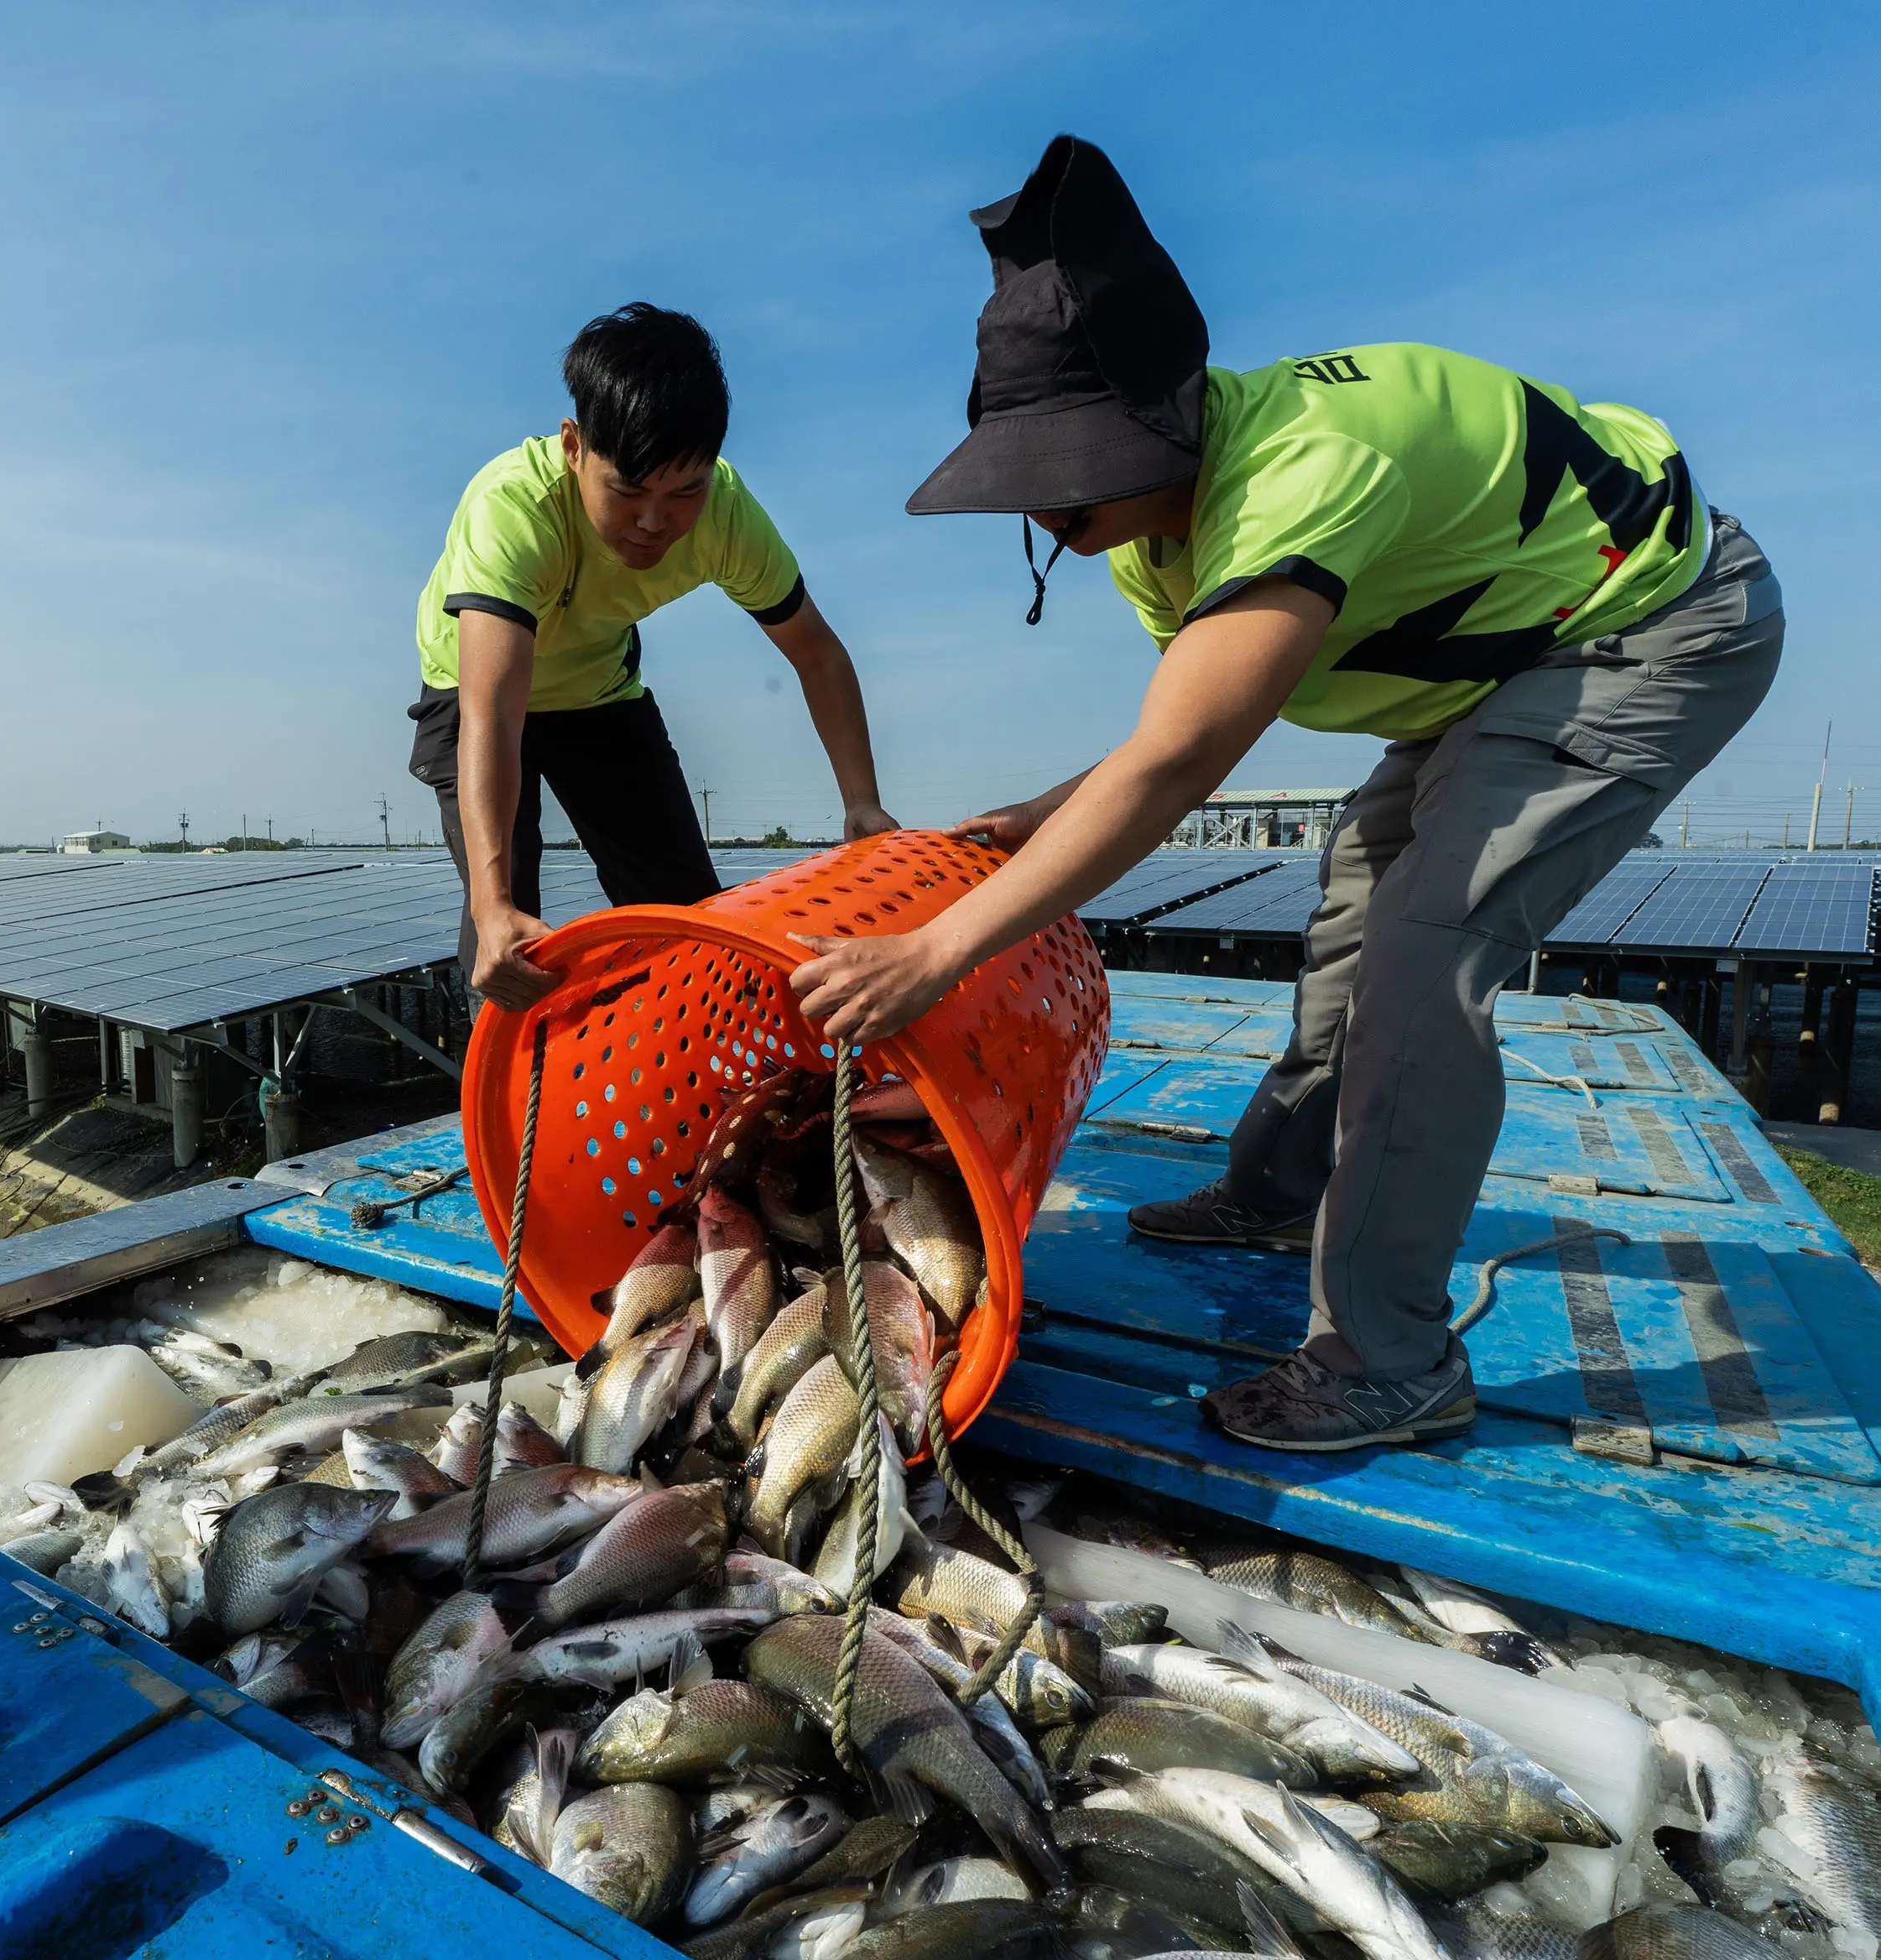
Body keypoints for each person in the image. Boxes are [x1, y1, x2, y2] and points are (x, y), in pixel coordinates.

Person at [788, 136, 1782, 1453]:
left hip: (1633, 622)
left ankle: (1388, 1360)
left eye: (1069, 471)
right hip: (1477, 666)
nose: (1051, 511)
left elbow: (1181, 759)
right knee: (1351, 918)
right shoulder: (1148, 532)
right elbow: (1190, 717)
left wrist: (936, 950)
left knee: (1420, 967)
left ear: (1161, 423)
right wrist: (1034, 813)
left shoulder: (1302, 471)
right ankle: (1275, 1192)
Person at [409, 303, 896, 1011]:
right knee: (508, 935)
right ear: (573, 446)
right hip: (474, 694)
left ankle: (712, 1090)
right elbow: (493, 716)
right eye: (627, 492)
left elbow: (817, 654)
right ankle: (516, 1104)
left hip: (599, 693)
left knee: (694, 926)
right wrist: (491, 904)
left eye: (684, 492)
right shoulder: (512, 508)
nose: (653, 522)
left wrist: (863, 805)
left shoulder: (728, 515)